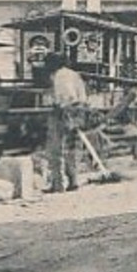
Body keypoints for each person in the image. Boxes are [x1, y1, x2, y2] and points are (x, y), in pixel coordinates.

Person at [44, 52, 89, 193]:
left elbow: (65, 96)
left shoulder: (58, 76)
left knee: (56, 148)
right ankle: (73, 180)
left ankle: (58, 184)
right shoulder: (74, 74)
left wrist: (61, 108)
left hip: (64, 112)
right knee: (73, 147)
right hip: (79, 111)